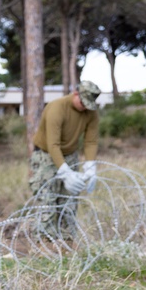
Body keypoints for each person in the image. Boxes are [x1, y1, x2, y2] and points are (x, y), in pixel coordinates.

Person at [28, 80, 101, 240]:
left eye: (88, 104)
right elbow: (53, 144)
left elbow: (90, 141)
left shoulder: (91, 112)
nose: (84, 107)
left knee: (69, 201)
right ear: (76, 94)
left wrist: (90, 166)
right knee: (47, 201)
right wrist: (65, 171)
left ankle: (66, 243)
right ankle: (43, 243)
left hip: (70, 155)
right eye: (82, 102)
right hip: (46, 156)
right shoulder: (57, 108)